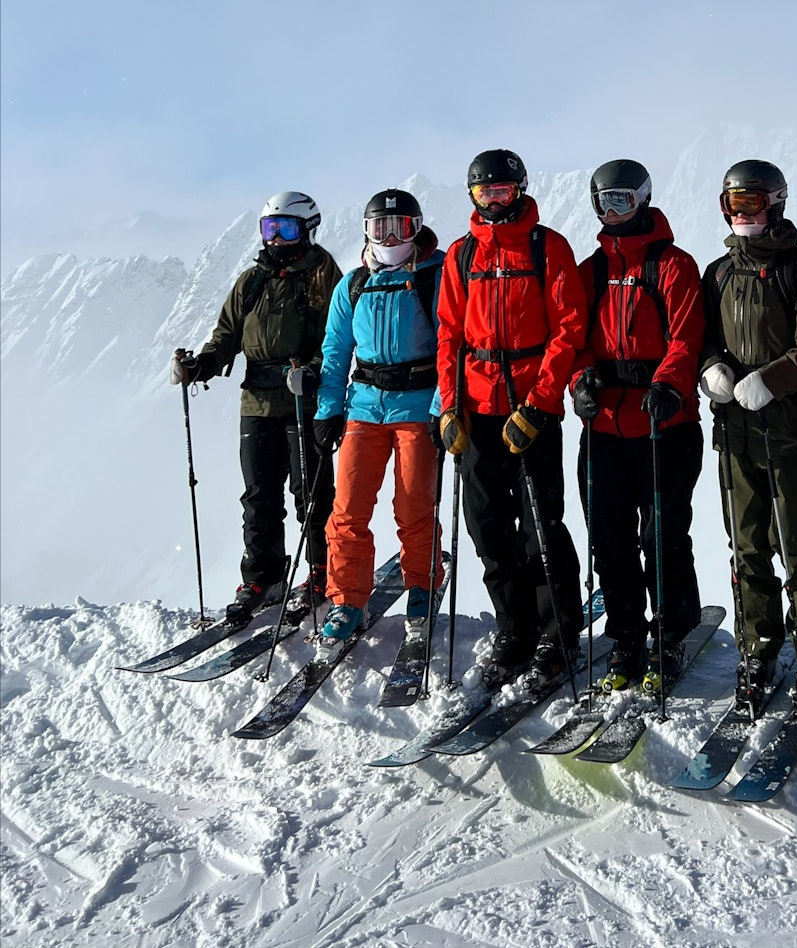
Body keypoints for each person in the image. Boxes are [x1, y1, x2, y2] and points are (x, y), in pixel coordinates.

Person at [434, 149, 588, 690]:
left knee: (540, 525)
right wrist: (449, 406)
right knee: (486, 526)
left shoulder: (548, 248)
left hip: (531, 410)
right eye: (484, 192)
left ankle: (557, 633)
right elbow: (449, 335)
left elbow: (569, 329)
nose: (494, 200)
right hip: (477, 408)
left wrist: (540, 404)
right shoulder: (461, 256)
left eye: (502, 190)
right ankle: (513, 627)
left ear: (521, 188)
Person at [699, 159, 797, 720]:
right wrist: (712, 368)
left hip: (788, 433)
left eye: (752, 204)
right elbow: (702, 338)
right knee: (748, 545)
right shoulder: (718, 274)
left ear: (776, 204)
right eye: (733, 205)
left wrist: (773, 378)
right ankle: (757, 649)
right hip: (734, 433)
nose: (742, 215)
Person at [171, 191, 341, 623]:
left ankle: (323, 573)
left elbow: (336, 338)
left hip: (303, 400)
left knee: (312, 495)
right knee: (259, 497)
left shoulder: (322, 275)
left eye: (287, 228)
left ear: (307, 229)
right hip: (256, 402)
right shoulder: (251, 281)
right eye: (270, 229)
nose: (278, 238)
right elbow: (226, 334)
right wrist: (201, 365)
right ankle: (263, 579)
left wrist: (316, 371)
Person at [569, 158, 705, 694]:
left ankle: (671, 633)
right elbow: (574, 338)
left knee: (664, 533)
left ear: (644, 200)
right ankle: (625, 634)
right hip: (605, 424)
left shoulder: (672, 265)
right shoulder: (591, 271)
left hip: (664, 423)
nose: (613, 211)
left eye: (623, 200)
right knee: (610, 536)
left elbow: (687, 335)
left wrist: (669, 385)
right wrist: (581, 382)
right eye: (605, 202)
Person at [309, 188, 446, 644]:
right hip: (363, 407)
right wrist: (328, 409)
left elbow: (453, 346)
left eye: (399, 227)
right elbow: (335, 351)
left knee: (414, 506)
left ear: (416, 228)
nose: (389, 237)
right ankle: (347, 599)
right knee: (347, 509)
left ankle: (423, 587)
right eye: (379, 228)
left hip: (416, 406)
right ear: (366, 231)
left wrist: (440, 410)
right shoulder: (353, 284)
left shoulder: (436, 275)